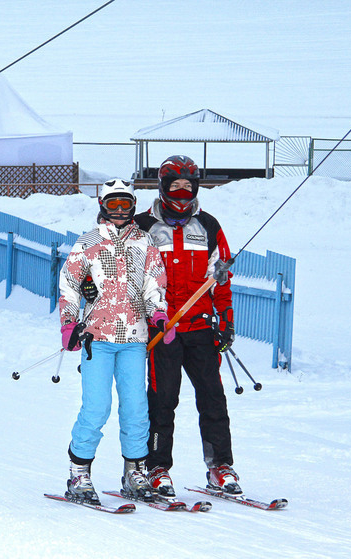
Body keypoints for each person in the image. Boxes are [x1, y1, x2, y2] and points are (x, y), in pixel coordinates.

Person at [58, 178, 172, 505]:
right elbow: (69, 286)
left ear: (133, 207)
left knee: (136, 408)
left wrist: (158, 313)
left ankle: (135, 470)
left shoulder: (144, 242)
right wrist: (69, 323)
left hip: (134, 338)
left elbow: (154, 285)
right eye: (113, 205)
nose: (120, 211)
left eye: (125, 205)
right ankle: (79, 471)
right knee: (97, 406)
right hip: (98, 339)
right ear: (103, 207)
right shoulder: (88, 242)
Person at [132, 155, 240, 496]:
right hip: (162, 329)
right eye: (175, 186)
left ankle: (220, 466)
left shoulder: (208, 226)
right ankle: (157, 467)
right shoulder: (142, 227)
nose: (182, 192)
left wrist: (226, 324)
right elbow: (124, 277)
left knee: (213, 399)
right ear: (162, 187)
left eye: (188, 186)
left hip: (201, 328)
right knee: (163, 399)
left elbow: (221, 283)